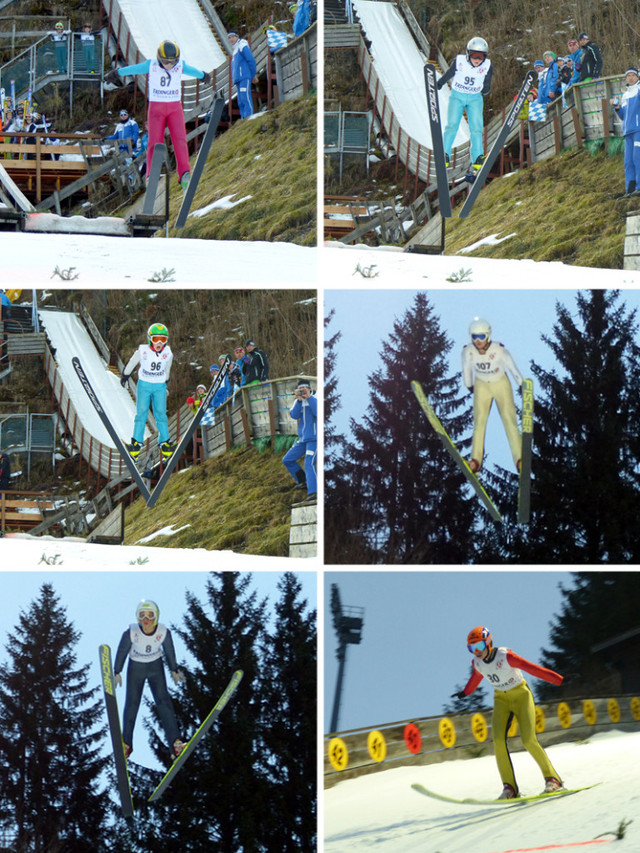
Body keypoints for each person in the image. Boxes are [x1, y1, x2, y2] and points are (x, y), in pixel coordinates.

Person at [454, 626, 564, 799]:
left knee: (528, 740)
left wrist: (558, 680)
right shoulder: (477, 663)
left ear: (489, 643)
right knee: (497, 741)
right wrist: (466, 692)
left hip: (521, 695)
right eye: (471, 648)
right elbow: (476, 678)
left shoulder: (506, 657)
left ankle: (553, 779)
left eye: (480, 647)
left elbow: (532, 668)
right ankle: (509, 788)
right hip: (501, 700)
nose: (476, 652)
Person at [106, 40, 211, 188]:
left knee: (180, 140)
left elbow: (192, 70)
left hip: (175, 107)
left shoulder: (180, 65)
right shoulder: (152, 64)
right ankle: (150, 174)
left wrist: (202, 76)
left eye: (172, 62)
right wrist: (117, 73)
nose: (169, 65)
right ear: (159, 58)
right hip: (156, 108)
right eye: (165, 62)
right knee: (154, 141)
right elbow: (134, 69)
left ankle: (184, 173)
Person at [113, 599, 186, 760]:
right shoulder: (132, 632)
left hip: (155, 667)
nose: (146, 620)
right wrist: (117, 670)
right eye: (142, 616)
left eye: (150, 616)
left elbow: (169, 650)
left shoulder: (163, 632)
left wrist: (174, 669)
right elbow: (123, 650)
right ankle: (126, 744)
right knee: (132, 704)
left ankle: (175, 744)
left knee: (164, 702)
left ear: (156, 617)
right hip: (136, 668)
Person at [461, 317, 523, 473]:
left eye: (481, 336)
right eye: (474, 337)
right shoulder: (468, 352)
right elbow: (466, 370)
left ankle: (520, 459)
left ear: (487, 335)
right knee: (479, 422)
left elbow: (511, 367)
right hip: (482, 385)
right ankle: (475, 461)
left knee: (509, 420)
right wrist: (469, 385)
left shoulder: (499, 350)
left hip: (500, 383)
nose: (478, 341)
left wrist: (521, 384)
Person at [436, 37, 493, 177]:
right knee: (452, 125)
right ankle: (445, 153)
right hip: (457, 96)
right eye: (474, 55)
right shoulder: (460, 61)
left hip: (475, 98)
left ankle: (477, 157)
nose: (478, 59)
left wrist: (486, 90)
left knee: (476, 128)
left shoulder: (487, 65)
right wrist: (441, 82)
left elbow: (487, 80)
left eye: (481, 57)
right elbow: (450, 72)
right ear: (468, 53)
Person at [121, 322, 176, 461]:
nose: (159, 343)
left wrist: (166, 381)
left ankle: (165, 443)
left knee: (161, 414)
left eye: (162, 340)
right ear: (149, 338)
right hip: (144, 384)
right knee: (141, 413)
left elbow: (167, 368)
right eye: (156, 339)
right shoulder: (143, 350)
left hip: (159, 386)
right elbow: (132, 363)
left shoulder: (167, 353)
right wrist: (125, 375)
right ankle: (136, 444)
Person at [283, 379, 317, 503]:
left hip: (314, 438)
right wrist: (298, 400)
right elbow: (294, 415)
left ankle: (314, 491)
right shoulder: (298, 402)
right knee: (287, 459)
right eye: (300, 389)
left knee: (309, 462)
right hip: (302, 439)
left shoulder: (315, 398)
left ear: (309, 388)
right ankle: (302, 480)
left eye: (305, 388)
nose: (303, 391)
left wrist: (309, 398)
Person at [611, 69, 640, 197]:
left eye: (633, 75)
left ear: (637, 77)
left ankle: (639, 187)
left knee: (637, 157)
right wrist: (616, 108)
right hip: (627, 132)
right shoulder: (625, 95)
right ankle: (630, 189)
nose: (630, 78)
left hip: (638, 130)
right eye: (628, 76)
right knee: (628, 161)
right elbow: (623, 116)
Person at [228, 32, 258, 119]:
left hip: (244, 76)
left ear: (237, 37)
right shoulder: (234, 51)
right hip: (238, 79)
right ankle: (243, 119)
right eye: (229, 38)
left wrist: (253, 75)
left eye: (232, 37)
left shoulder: (242, 46)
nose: (231, 39)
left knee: (245, 97)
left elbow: (251, 60)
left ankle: (249, 117)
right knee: (240, 101)